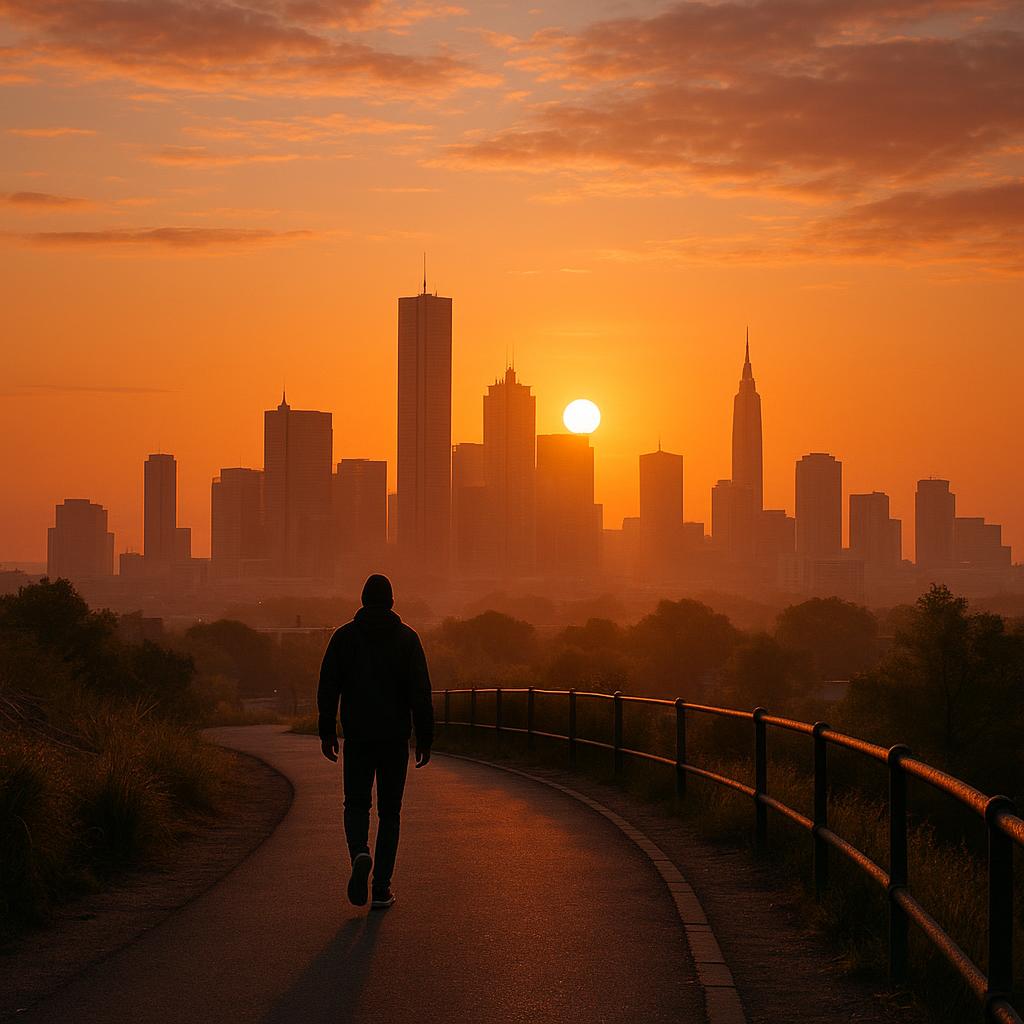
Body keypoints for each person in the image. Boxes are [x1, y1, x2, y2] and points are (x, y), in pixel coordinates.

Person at [317, 574, 434, 910]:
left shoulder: (344, 638)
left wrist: (328, 731)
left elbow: (328, 687)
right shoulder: (408, 639)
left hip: (357, 736)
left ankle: (360, 852)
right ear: (392, 603)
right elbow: (420, 694)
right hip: (395, 738)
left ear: (362, 600)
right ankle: (381, 889)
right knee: (390, 812)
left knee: (355, 804)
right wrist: (424, 737)